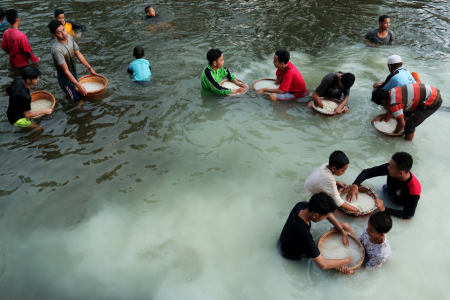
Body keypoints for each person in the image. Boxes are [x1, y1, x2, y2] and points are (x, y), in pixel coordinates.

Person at [279, 192, 354, 269]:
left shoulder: (302, 206)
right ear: (315, 215)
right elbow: (322, 264)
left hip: (284, 241)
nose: (326, 218)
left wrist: (342, 231)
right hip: (292, 255)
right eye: (325, 217)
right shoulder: (304, 233)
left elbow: (328, 214)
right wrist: (347, 260)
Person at [346, 152, 421, 220]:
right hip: (387, 191)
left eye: (391, 167)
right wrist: (355, 184)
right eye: (389, 164)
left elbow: (408, 215)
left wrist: (385, 209)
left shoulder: (414, 190)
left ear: (400, 173)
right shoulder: (392, 168)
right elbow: (368, 172)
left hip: (397, 204)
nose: (388, 167)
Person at [48, 20, 98, 102]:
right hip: (66, 81)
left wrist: (89, 68)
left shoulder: (69, 38)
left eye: (63, 30)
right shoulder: (57, 49)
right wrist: (78, 85)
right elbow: (66, 71)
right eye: (59, 32)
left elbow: (78, 54)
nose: (64, 34)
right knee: (79, 102)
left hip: (73, 75)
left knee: (83, 96)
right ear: (54, 35)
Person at [371, 83, 442, 141]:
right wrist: (384, 122)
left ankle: (407, 144)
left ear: (383, 101)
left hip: (433, 100)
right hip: (430, 92)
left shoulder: (395, 103)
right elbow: (390, 110)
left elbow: (401, 125)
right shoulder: (392, 91)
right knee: (405, 115)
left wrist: (393, 133)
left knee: (409, 126)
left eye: (380, 104)